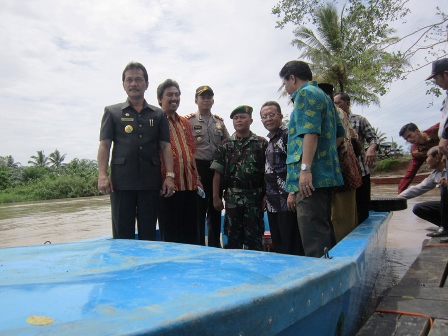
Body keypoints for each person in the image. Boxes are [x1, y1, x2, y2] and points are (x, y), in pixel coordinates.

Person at [97, 62, 175, 240]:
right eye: (129, 80)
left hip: (151, 182)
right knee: (122, 234)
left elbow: (165, 146)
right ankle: (124, 267)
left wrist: (169, 176)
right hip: (121, 182)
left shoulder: (158, 114)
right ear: (123, 84)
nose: (134, 84)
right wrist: (102, 175)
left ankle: (147, 267)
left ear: (146, 84)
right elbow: (104, 145)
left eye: (138, 79)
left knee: (148, 233)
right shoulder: (112, 112)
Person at [279, 61, 345, 258]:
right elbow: (339, 135)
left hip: (310, 179)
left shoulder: (306, 94)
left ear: (292, 78)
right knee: (321, 229)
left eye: (285, 83)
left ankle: (322, 283)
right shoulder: (324, 97)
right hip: (323, 175)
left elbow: (311, 134)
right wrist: (325, 156)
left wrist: (306, 169)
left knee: (313, 236)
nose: (286, 89)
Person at [211, 105, 268, 251]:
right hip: (232, 201)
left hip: (254, 200)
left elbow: (268, 173)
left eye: (242, 117)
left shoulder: (261, 144)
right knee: (232, 242)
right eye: (235, 118)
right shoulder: (225, 145)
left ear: (251, 120)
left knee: (254, 242)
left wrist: (266, 196)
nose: (239, 120)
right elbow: (217, 173)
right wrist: (216, 197)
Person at [156, 79, 202, 244]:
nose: (174, 98)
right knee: (171, 236)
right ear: (160, 98)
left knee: (192, 235)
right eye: (169, 94)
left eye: (177, 94)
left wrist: (198, 179)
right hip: (168, 187)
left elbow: (191, 152)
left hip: (189, 185)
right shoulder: (155, 119)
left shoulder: (185, 122)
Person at [185, 86, 230, 247]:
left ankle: (214, 246)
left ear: (213, 100)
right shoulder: (189, 121)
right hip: (198, 170)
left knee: (216, 207)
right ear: (196, 100)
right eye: (202, 97)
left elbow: (228, 143)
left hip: (216, 169)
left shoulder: (219, 123)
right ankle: (198, 246)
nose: (206, 100)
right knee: (198, 211)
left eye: (209, 97)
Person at [319, 83, 362, 243]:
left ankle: (340, 258)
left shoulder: (328, 112)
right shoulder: (341, 113)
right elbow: (355, 141)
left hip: (338, 172)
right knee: (348, 217)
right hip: (349, 171)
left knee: (339, 219)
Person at [261, 101, 304, 255]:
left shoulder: (288, 136)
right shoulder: (270, 141)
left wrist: (293, 192)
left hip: (287, 201)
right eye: (264, 116)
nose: (268, 119)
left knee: (291, 243)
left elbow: (296, 164)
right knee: (278, 243)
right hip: (273, 203)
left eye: (272, 115)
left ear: (280, 116)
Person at [334, 92, 379, 225]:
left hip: (361, 169)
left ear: (347, 104)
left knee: (362, 205)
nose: (335, 106)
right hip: (343, 172)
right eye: (334, 103)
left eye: (338, 103)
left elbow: (373, 138)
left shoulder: (359, 120)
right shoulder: (332, 121)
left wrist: (370, 149)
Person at [399, 147, 448, 240]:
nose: (426, 160)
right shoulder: (436, 174)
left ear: (437, 157)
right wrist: (397, 198)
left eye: (428, 157)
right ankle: (444, 226)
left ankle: (445, 228)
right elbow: (419, 188)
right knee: (419, 208)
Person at [398, 122, 439, 194]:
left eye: (409, 136)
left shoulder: (435, 130)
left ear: (417, 131)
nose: (409, 140)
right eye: (406, 139)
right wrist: (400, 192)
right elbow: (411, 172)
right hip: (441, 170)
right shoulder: (416, 151)